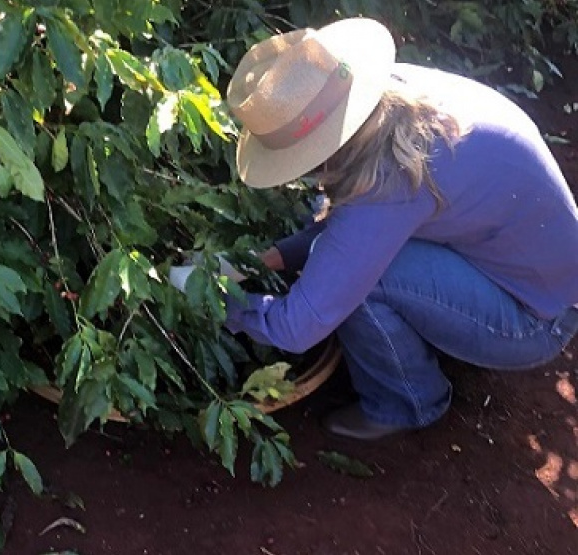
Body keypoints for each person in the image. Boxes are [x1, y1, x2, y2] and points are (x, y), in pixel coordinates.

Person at [212, 17, 578, 440]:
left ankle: (404, 403)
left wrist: (219, 303)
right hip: (532, 273)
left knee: (366, 283)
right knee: (337, 243)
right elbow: (351, 228)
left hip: (535, 320)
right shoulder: (395, 100)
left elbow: (296, 328)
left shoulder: (389, 177)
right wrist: (261, 261)